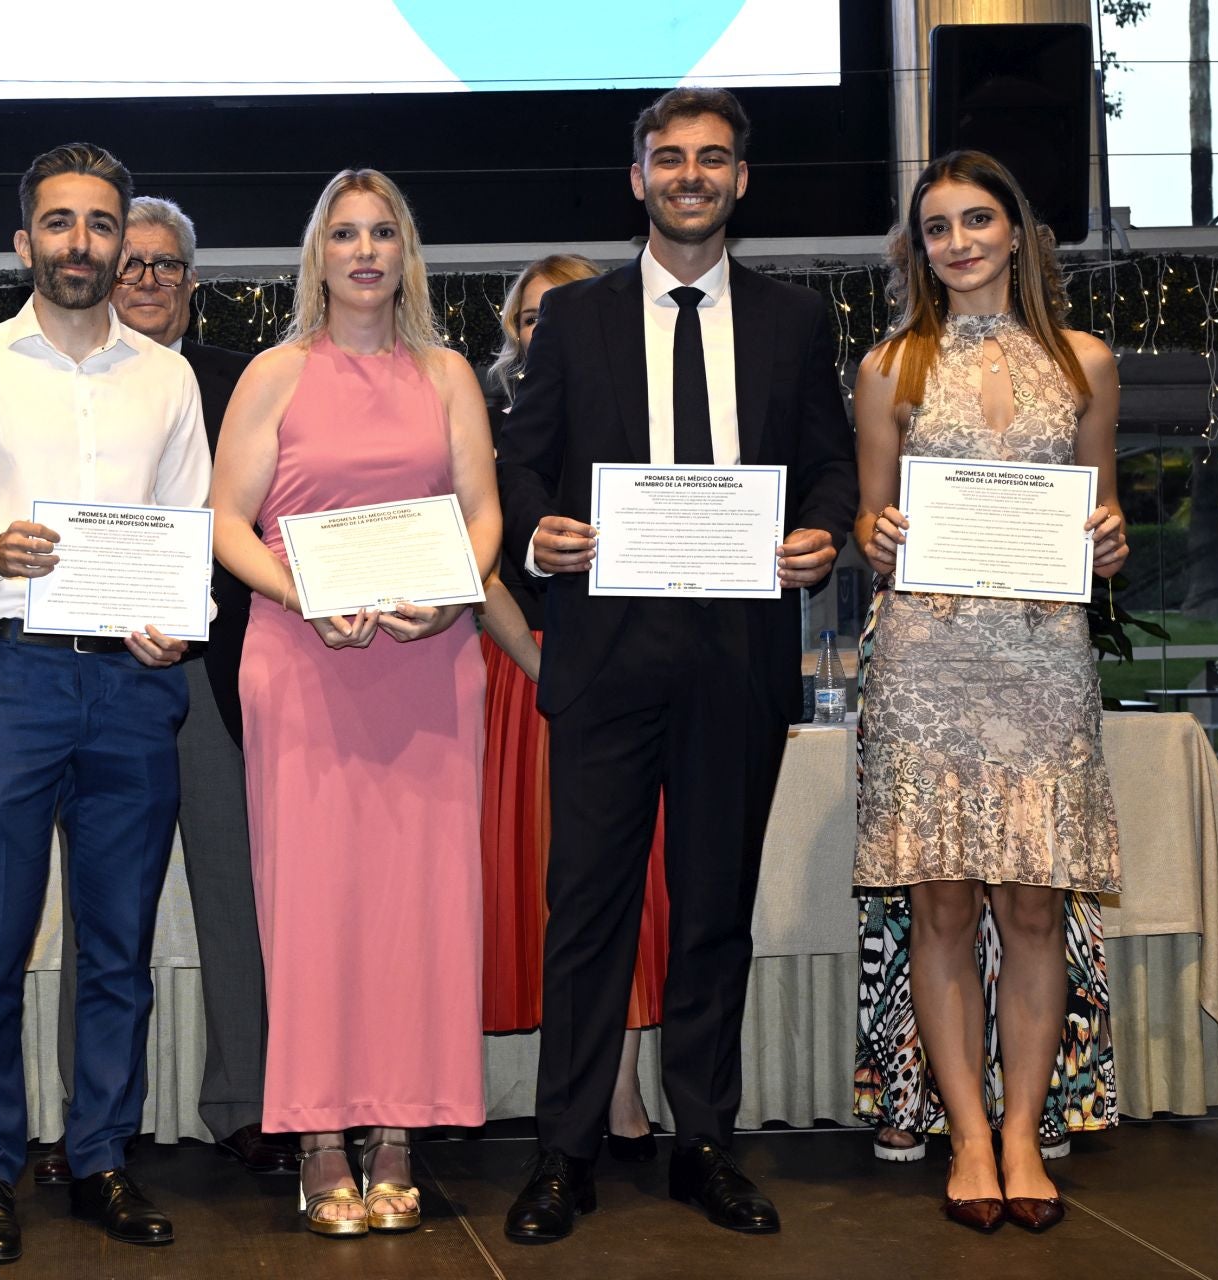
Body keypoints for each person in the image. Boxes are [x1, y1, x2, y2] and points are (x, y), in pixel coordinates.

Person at [496, 87, 856, 1240]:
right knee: (586, 911)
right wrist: (535, 530)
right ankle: (564, 1152)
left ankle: (705, 1140)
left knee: (712, 911)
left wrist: (823, 534)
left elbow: (832, 468)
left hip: (737, 660)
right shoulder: (578, 318)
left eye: (712, 158)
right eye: (669, 157)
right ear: (637, 178)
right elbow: (519, 467)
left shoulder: (797, 320)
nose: (690, 174)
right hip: (604, 659)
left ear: (741, 179)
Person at [0, 142, 209, 1265]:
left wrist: (178, 619)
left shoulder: (168, 379)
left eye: (101, 224)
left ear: (125, 241)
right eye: (59, 223)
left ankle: (103, 1155)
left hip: (131, 685)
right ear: (26, 242)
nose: (81, 242)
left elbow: (191, 530)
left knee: (118, 945)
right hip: (7, 679)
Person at [210, 168, 497, 1237]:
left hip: (428, 664)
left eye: (383, 232)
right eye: (345, 234)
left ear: (406, 252)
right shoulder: (274, 375)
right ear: (317, 254)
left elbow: (483, 516)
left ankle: (401, 1133)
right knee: (315, 904)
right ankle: (321, 1135)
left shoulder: (449, 373)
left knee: (421, 904)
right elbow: (226, 523)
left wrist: (449, 597)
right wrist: (301, 591)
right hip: (300, 657)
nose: (365, 251)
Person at [850, 150, 1126, 1235]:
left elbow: (1103, 517)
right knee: (946, 903)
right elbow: (876, 524)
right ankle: (967, 1133)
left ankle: (1023, 1128)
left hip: (1045, 658)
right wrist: (877, 531)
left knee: (1033, 904)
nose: (958, 242)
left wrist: (1109, 541)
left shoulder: (1085, 361)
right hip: (930, 660)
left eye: (976, 220)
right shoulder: (892, 365)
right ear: (918, 250)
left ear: (1016, 231)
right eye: (936, 228)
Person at [36, 195, 294, 1185]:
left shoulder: (247, 385)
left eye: (163, 265)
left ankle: (250, 1104)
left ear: (192, 280)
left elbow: (271, 518)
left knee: (241, 901)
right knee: (103, 913)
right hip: (94, 678)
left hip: (218, 678)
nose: (143, 278)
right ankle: (93, 1119)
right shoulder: (70, 381)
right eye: (128, 262)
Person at [480, 253, 669, 1163]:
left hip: (627, 678)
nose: (545, 334)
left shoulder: (637, 424)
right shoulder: (480, 432)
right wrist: (541, 657)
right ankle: (559, 1102)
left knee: (633, 892)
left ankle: (624, 1093)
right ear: (512, 336)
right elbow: (474, 562)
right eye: (529, 320)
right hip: (528, 683)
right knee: (555, 893)